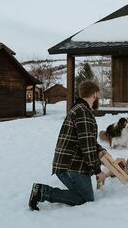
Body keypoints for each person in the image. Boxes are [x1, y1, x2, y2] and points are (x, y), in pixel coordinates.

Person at [28, 80, 108, 211]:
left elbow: (87, 140)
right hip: (71, 166)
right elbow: (87, 147)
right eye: (97, 95)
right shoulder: (83, 112)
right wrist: (97, 171)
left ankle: (41, 191)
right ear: (95, 94)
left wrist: (100, 149)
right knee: (85, 200)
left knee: (83, 198)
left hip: (70, 164)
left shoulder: (79, 109)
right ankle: (43, 192)